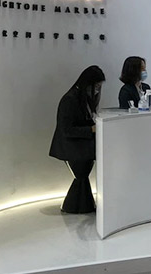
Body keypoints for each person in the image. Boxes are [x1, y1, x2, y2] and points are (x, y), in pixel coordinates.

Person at [49, 65, 105, 214]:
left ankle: (81, 204)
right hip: (71, 145)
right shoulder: (70, 100)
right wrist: (91, 129)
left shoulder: (83, 99)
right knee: (82, 172)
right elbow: (67, 130)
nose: (97, 90)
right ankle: (79, 204)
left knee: (83, 172)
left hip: (79, 142)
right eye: (96, 86)